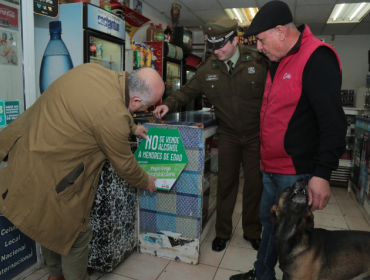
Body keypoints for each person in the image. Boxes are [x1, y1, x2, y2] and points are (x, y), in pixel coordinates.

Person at [0, 64, 165, 280]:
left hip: (28, 153)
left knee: (48, 222)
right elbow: (125, 164)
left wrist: (131, 126)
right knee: (77, 235)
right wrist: (146, 181)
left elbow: (94, 111)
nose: (143, 110)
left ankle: (55, 275)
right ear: (135, 101)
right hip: (51, 172)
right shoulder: (113, 115)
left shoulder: (92, 70)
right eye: (145, 107)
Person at [230, 1, 347, 280]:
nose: (258, 47)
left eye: (261, 39)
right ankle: (262, 274)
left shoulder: (317, 58)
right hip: (271, 167)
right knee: (270, 226)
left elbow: (333, 122)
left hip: (297, 172)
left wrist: (322, 174)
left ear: (280, 32)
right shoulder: (276, 60)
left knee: (293, 237)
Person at [153, 18, 269, 252]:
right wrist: (168, 104)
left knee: (255, 186)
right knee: (226, 184)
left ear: (235, 40)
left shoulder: (258, 61)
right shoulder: (208, 69)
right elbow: (186, 92)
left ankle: (253, 231)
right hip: (228, 135)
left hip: (257, 135)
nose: (217, 51)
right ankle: (223, 233)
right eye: (212, 47)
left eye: (221, 46)